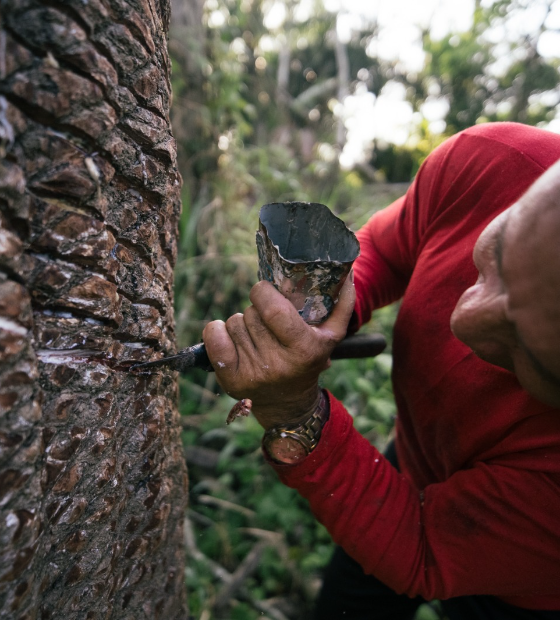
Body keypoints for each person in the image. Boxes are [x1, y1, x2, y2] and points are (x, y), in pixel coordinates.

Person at [202, 122, 560, 619]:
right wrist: (323, 314)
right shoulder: (496, 162)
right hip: (411, 460)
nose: (465, 319)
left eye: (527, 356)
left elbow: (422, 546)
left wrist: (297, 413)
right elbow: (390, 249)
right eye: (497, 253)